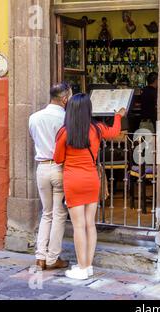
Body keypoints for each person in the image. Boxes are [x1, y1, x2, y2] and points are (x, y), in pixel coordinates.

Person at [54, 93, 126, 280]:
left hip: (73, 179)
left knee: (78, 226)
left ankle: (81, 267)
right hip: (91, 179)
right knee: (90, 224)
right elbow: (115, 132)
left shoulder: (64, 132)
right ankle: (89, 265)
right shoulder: (97, 128)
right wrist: (118, 116)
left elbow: (57, 158)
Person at [29, 82, 73, 271]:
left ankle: (40, 256)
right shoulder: (66, 118)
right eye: (69, 96)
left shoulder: (34, 117)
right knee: (59, 214)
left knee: (46, 213)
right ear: (64, 99)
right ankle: (52, 257)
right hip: (59, 167)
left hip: (42, 168)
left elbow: (35, 140)